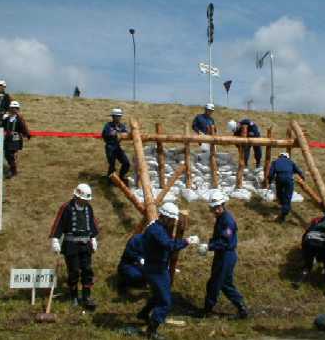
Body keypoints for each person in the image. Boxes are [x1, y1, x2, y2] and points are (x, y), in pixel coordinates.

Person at [137, 203, 199, 339]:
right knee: (165, 302)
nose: (173, 223)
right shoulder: (156, 231)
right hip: (155, 269)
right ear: (164, 217)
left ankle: (143, 314)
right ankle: (151, 330)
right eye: (171, 220)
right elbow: (169, 245)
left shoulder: (158, 227)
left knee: (158, 295)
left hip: (158, 267)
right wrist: (187, 241)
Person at [198, 190, 248, 319]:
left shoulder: (227, 221)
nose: (214, 211)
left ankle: (207, 311)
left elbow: (225, 242)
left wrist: (209, 247)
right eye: (212, 208)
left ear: (222, 205)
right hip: (223, 255)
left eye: (216, 208)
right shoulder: (221, 218)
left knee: (214, 283)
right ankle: (242, 308)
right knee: (225, 284)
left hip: (226, 256)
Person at [49, 183, 99, 310]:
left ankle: (86, 296)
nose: (86, 202)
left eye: (87, 200)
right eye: (84, 200)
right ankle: (74, 296)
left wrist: (93, 238)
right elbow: (58, 223)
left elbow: (92, 224)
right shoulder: (66, 208)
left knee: (87, 270)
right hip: (71, 245)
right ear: (77, 197)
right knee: (74, 271)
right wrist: (55, 240)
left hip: (85, 245)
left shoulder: (89, 208)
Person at [293, 209, 325, 288]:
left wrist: (304, 247)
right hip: (322, 242)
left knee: (308, 264)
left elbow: (306, 234)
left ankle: (299, 280)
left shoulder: (317, 221)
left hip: (309, 240)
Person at [268, 152, 305, 223]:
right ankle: (283, 213)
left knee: (279, 193)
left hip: (279, 179)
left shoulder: (275, 162)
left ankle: (282, 206)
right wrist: (302, 177)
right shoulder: (290, 162)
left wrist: (270, 181)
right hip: (289, 179)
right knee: (288, 196)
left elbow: (270, 174)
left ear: (279, 156)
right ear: (287, 157)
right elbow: (298, 170)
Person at [2, 101, 31, 178]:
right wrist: (3, 119)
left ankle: (13, 171)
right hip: (8, 139)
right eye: (12, 108)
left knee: (11, 155)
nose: (13, 110)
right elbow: (2, 127)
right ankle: (12, 169)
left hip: (16, 139)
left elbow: (23, 127)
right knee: (7, 155)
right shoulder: (6, 118)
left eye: (15, 108)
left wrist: (27, 134)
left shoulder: (19, 119)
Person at [101, 108, 130, 185]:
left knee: (126, 163)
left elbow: (126, 133)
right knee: (112, 164)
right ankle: (111, 180)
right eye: (116, 116)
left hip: (117, 147)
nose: (118, 117)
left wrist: (126, 134)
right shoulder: (108, 125)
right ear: (113, 117)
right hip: (110, 147)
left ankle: (121, 177)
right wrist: (115, 133)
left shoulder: (122, 126)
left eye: (119, 116)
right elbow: (105, 134)